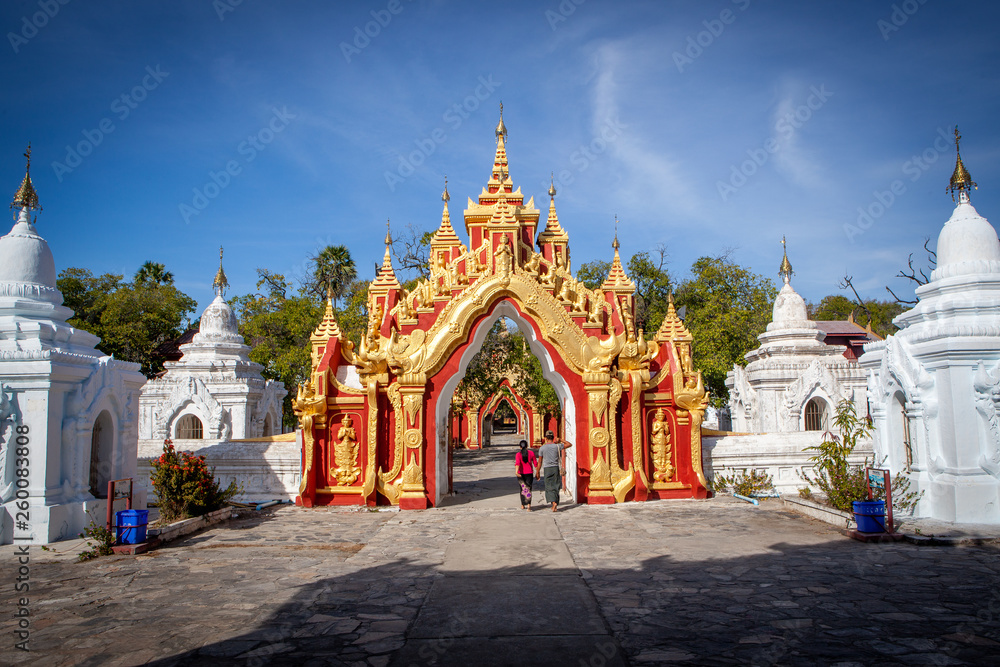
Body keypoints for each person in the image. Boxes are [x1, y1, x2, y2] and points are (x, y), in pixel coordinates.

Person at [536, 430, 572, 512]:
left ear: (545, 438)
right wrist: (561, 440)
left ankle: (553, 503)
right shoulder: (557, 446)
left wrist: (537, 472)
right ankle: (555, 502)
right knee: (556, 486)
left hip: (547, 469)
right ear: (553, 438)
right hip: (555, 468)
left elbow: (540, 461)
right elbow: (569, 444)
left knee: (549, 486)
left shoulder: (542, 448)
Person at [514, 440, 537, 511]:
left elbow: (517, 463)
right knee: (528, 488)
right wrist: (537, 472)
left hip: (521, 474)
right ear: (527, 446)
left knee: (523, 488)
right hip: (529, 473)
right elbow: (535, 463)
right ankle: (529, 505)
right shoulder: (531, 453)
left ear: (520, 447)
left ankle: (523, 504)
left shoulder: (518, 454)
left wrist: (516, 472)